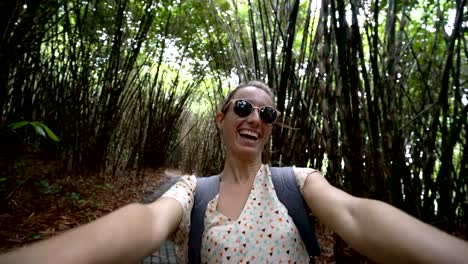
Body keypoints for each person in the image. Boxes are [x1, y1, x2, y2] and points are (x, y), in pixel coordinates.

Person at [1, 80, 467, 264]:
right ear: (221, 117)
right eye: (243, 107)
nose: (255, 118)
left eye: (267, 114)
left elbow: (357, 216)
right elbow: (143, 222)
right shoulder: (192, 192)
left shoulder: (298, 183)